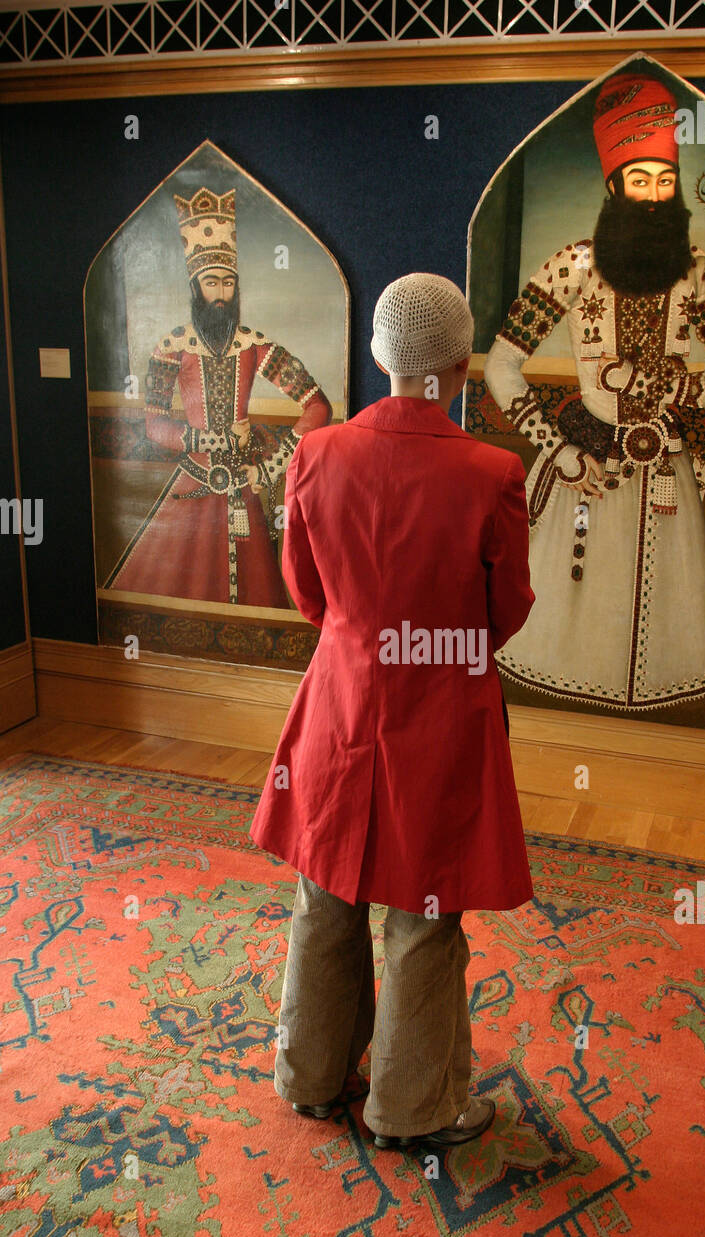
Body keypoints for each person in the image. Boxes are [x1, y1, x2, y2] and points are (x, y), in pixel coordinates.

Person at [249, 273, 535, 1149]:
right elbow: (507, 611)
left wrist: (357, 635)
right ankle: (413, 1111)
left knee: (325, 888)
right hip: (442, 706)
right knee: (424, 907)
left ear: (378, 356)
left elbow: (306, 593)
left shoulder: (316, 454)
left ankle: (310, 1076)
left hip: (339, 695)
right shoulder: (492, 471)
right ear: (458, 363)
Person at [483, 71, 705, 713]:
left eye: (666, 182)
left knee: (669, 604)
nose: (655, 197)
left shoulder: (700, 269)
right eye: (641, 181)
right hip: (586, 461)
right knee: (575, 601)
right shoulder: (573, 264)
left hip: (666, 464)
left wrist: (686, 387)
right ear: (615, 185)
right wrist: (556, 447)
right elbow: (500, 366)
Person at [106, 187, 331, 608]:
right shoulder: (172, 346)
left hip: (243, 488)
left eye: (229, 282)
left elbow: (318, 406)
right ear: (196, 285)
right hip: (192, 480)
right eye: (212, 282)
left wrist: (268, 469)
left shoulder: (253, 344)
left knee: (255, 600)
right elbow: (153, 423)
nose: (222, 293)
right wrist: (203, 440)